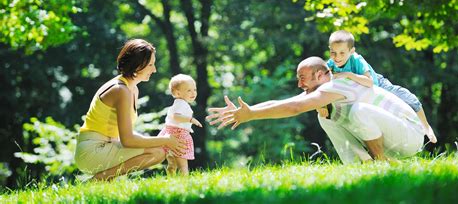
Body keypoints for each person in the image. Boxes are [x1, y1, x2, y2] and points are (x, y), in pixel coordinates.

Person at [207, 57, 425, 163]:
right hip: (393, 138)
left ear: (321, 75)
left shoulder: (336, 85)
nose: (300, 85)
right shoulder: (323, 92)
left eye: (303, 79)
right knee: (327, 118)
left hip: (410, 136)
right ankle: (364, 166)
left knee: (357, 111)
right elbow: (285, 102)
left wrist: (251, 114)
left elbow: (294, 108)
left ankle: (380, 163)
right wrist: (248, 111)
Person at [74, 39, 186, 181]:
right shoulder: (121, 90)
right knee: (158, 152)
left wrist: (165, 140)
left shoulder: (132, 89)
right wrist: (165, 140)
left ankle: (102, 180)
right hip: (91, 150)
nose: (154, 69)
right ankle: (99, 180)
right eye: (151, 64)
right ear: (138, 66)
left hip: (107, 145)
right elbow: (128, 140)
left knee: (159, 151)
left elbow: (127, 136)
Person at [319, 30, 437, 143]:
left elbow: (369, 82)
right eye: (333, 52)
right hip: (360, 94)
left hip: (378, 84)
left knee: (406, 97)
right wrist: (322, 105)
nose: (337, 57)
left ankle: (426, 126)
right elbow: (321, 86)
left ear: (351, 51)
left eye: (342, 53)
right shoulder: (330, 65)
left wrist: (348, 75)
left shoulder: (357, 60)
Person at [158, 74, 202, 175]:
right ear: (178, 93)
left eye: (194, 89)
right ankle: (184, 181)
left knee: (172, 163)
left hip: (171, 133)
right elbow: (176, 117)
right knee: (183, 164)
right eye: (189, 90)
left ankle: (171, 179)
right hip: (178, 135)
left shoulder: (180, 103)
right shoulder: (181, 104)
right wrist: (191, 120)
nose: (193, 93)